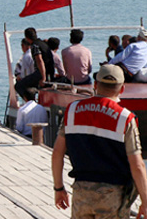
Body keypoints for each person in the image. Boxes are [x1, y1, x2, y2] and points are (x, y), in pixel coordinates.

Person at [52, 64, 147, 219]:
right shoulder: (125, 118)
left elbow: (57, 153)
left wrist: (58, 188)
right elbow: (137, 164)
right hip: (112, 195)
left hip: (81, 191)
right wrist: (145, 200)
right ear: (122, 89)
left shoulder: (72, 110)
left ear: (95, 85)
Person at [14, 27, 55, 102]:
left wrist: (43, 77)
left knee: (18, 86)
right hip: (51, 72)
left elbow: (40, 61)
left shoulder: (35, 46)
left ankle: (31, 103)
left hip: (41, 73)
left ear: (26, 38)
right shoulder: (43, 44)